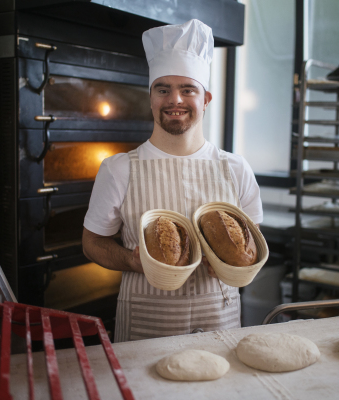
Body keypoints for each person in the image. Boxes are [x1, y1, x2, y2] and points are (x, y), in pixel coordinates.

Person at [82, 19, 263, 342]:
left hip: (220, 325)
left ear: (205, 99)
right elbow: (92, 243)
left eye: (187, 90)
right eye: (163, 89)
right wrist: (133, 261)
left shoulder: (236, 168)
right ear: (151, 98)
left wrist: (234, 270)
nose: (174, 100)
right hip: (145, 328)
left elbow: (253, 249)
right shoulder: (119, 168)